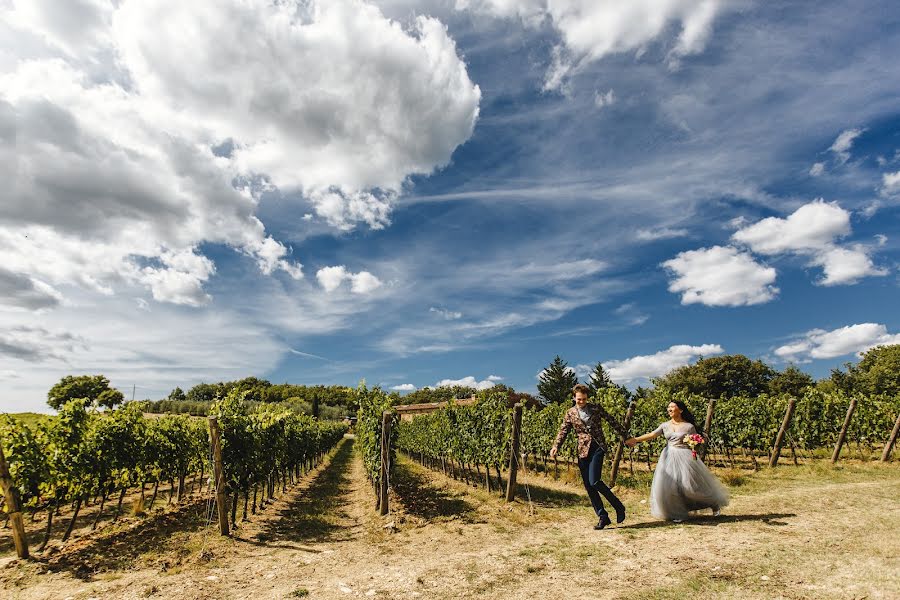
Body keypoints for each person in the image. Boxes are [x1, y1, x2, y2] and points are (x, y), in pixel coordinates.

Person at [625, 400, 729, 522]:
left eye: (672, 407)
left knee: (691, 487)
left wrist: (694, 444)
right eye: (668, 407)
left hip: (685, 457)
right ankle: (677, 513)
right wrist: (635, 440)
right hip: (668, 456)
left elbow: (696, 442)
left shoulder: (689, 426)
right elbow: (652, 434)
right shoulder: (664, 425)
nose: (669, 409)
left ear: (680, 410)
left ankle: (714, 504)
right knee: (671, 487)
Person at [550, 384, 629, 530]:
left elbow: (612, 421)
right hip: (582, 450)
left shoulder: (595, 408)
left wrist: (626, 436)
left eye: (584, 399)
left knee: (595, 481)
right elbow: (564, 430)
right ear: (574, 397)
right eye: (579, 399)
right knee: (588, 486)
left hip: (597, 446)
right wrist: (556, 445)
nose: (582, 402)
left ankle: (618, 506)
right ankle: (602, 516)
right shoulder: (570, 413)